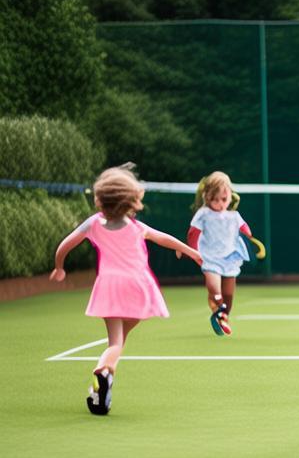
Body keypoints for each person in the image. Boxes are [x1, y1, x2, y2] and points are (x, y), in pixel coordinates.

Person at [49, 164, 202, 415]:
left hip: (109, 285)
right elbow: (163, 237)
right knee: (120, 342)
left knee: (116, 342)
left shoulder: (93, 224)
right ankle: (103, 375)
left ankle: (104, 375)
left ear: (100, 200)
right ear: (132, 201)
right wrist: (191, 251)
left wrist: (59, 267)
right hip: (136, 285)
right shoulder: (136, 228)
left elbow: (65, 245)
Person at [187, 171, 265, 336]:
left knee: (228, 294)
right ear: (207, 197)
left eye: (223, 199)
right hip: (210, 258)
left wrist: (249, 239)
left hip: (230, 259)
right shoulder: (203, 214)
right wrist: (194, 252)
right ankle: (219, 310)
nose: (220, 203)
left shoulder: (234, 216)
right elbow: (193, 233)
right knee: (214, 290)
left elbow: (245, 230)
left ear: (231, 196)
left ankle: (223, 317)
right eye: (215, 199)